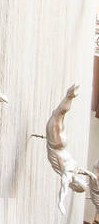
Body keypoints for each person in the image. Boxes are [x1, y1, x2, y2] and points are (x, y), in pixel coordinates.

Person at [44, 84, 91, 215]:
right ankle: (69, 96)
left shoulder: (68, 175)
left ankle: (69, 95)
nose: (83, 180)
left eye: (82, 183)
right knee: (58, 114)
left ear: (77, 185)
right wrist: (92, 176)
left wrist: (61, 203)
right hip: (56, 143)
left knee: (59, 114)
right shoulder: (74, 171)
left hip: (58, 143)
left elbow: (63, 189)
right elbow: (85, 172)